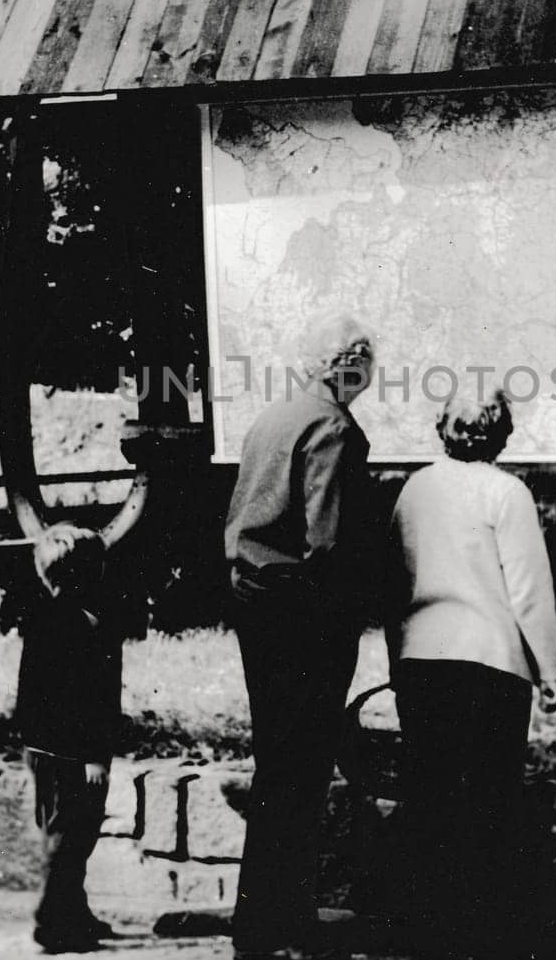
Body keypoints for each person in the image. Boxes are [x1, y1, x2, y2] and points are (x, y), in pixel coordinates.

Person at [387, 389, 556, 960]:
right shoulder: (508, 493)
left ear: (443, 428)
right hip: (491, 664)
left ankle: (421, 930)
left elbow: (394, 580)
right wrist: (549, 669)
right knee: (492, 801)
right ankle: (488, 932)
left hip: (423, 660)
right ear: (502, 434)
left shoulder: (415, 489)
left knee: (428, 797)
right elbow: (528, 590)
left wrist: (398, 657)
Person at [224, 312, 378, 960]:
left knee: (276, 767)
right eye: (368, 359)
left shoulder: (272, 418)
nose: (370, 372)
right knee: (302, 773)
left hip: (257, 609)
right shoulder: (334, 428)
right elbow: (330, 544)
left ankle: (262, 919)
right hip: (305, 622)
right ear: (350, 361)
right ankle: (280, 925)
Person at [15, 523, 122, 955]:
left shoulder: (43, 620)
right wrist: (92, 757)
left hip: (43, 750)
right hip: (74, 754)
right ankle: (52, 921)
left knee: (66, 834)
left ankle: (73, 912)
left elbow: (33, 697)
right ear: (85, 574)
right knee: (72, 839)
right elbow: (83, 702)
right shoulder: (82, 627)